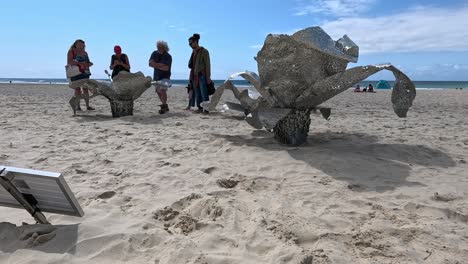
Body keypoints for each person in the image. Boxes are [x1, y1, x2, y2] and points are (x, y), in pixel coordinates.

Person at [67, 39, 95, 115]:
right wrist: (80, 63)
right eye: (79, 45)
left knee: (86, 89)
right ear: (75, 45)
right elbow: (69, 62)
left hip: (85, 72)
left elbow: (88, 62)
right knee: (77, 89)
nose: (81, 47)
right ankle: (78, 106)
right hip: (76, 73)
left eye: (82, 45)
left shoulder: (85, 53)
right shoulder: (71, 51)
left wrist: (89, 64)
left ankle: (88, 106)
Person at [188, 33, 212, 114]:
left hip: (202, 75)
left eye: (191, 43)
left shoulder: (204, 51)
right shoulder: (193, 52)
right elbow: (191, 65)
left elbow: (208, 65)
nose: (190, 45)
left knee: (204, 93)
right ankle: (200, 108)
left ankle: (206, 109)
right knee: (198, 93)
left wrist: (208, 77)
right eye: (189, 44)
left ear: (195, 42)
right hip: (195, 76)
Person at [149, 40, 172, 114]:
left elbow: (166, 68)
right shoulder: (154, 53)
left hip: (165, 76)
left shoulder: (168, 56)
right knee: (158, 92)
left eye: (160, 47)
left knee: (163, 90)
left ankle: (163, 106)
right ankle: (165, 105)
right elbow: (150, 64)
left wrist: (155, 65)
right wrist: (160, 65)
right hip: (156, 77)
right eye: (158, 47)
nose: (158, 48)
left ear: (164, 48)